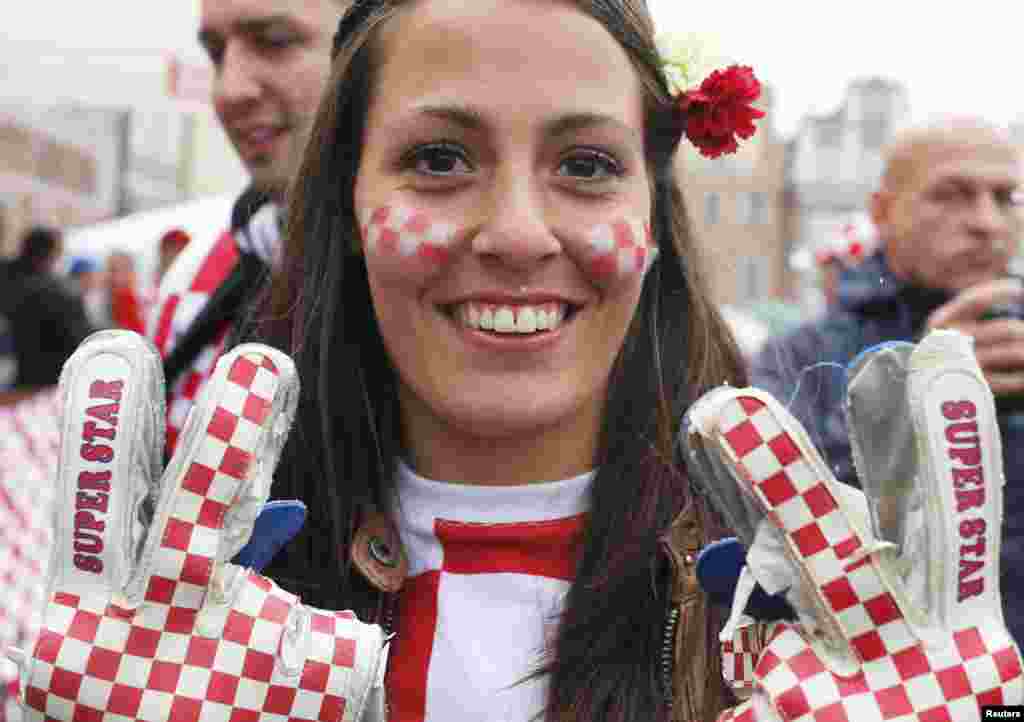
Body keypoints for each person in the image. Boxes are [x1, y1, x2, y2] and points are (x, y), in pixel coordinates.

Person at [250, 1, 761, 720]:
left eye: (586, 165)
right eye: (439, 159)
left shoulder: (800, 594)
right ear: (348, 205)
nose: (518, 237)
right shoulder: (197, 577)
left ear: (653, 222)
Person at [750, 116, 1024, 643]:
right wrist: (910, 406)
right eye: (951, 195)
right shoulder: (802, 359)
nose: (987, 222)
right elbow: (782, 544)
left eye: (1006, 197)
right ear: (882, 212)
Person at [151, 0, 350, 456]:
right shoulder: (195, 279)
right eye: (216, 53)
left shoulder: (462, 281)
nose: (228, 91)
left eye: (274, 42)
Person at [0, 226, 94, 395]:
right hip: (47, 380)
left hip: (19, 376)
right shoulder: (60, 292)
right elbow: (79, 338)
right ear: (52, 253)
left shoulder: (7, 278)